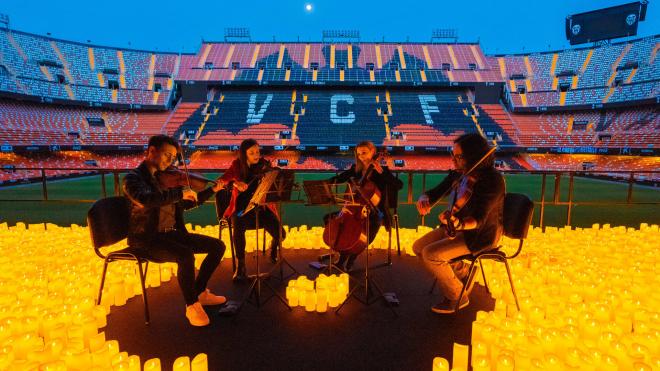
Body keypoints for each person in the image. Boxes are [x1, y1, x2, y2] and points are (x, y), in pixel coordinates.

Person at [123, 135, 227, 327]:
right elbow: (145, 200)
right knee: (185, 255)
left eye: (173, 157)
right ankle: (191, 304)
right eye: (167, 155)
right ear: (152, 151)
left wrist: (213, 191)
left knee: (217, 246)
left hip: (172, 234)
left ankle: (199, 292)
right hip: (147, 239)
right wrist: (178, 193)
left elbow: (185, 204)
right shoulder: (132, 179)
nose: (171, 161)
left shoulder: (165, 180)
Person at [413, 133, 504, 314]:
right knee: (418, 247)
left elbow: (479, 219)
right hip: (455, 228)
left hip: (478, 235)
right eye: (452, 155)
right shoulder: (460, 174)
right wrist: (425, 197)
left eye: (458, 156)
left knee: (431, 254)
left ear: (473, 156)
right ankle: (464, 273)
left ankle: (457, 296)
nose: (453, 160)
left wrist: (458, 223)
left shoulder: (492, 181)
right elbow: (437, 191)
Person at [325, 141, 403, 271]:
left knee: (364, 234)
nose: (361, 156)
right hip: (354, 210)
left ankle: (351, 258)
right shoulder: (355, 169)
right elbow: (341, 178)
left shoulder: (382, 170)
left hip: (375, 211)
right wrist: (329, 182)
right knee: (336, 223)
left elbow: (399, 185)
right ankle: (342, 257)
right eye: (359, 153)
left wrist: (382, 172)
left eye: (364, 153)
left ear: (373, 152)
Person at [216, 139, 286, 281]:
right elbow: (222, 181)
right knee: (238, 225)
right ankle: (241, 266)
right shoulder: (237, 166)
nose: (256, 155)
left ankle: (273, 247)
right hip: (242, 209)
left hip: (260, 209)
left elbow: (274, 179)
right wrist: (235, 183)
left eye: (258, 152)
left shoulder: (264, 165)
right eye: (252, 153)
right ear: (244, 154)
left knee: (281, 234)